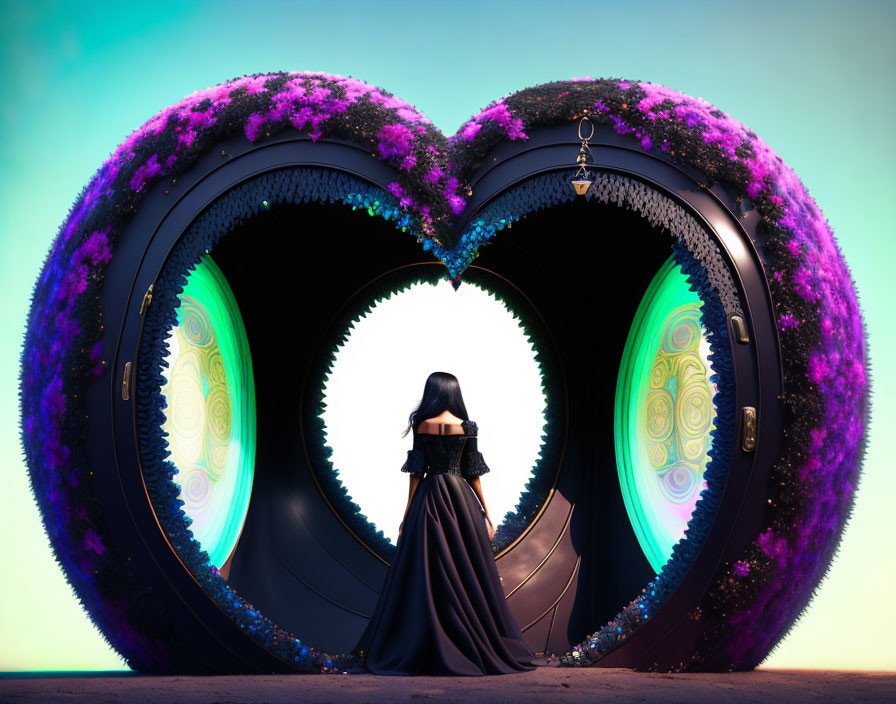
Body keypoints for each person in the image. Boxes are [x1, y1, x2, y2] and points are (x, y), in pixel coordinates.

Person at [351, 371, 537, 676]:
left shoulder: (421, 425)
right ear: (454, 393)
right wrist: (486, 511)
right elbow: (472, 473)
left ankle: (424, 642)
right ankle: (464, 641)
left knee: (425, 570)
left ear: (433, 393)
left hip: (429, 498)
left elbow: (416, 472)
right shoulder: (467, 427)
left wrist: (406, 514)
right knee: (464, 568)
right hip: (459, 500)